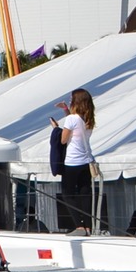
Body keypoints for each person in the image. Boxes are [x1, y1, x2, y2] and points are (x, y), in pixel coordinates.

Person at [55, 87, 98, 234]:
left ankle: (78, 226)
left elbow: (63, 139)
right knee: (85, 194)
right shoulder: (88, 119)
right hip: (86, 160)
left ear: (76, 101)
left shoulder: (71, 119)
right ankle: (87, 226)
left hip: (72, 161)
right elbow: (76, 125)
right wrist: (66, 110)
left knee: (67, 194)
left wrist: (56, 128)